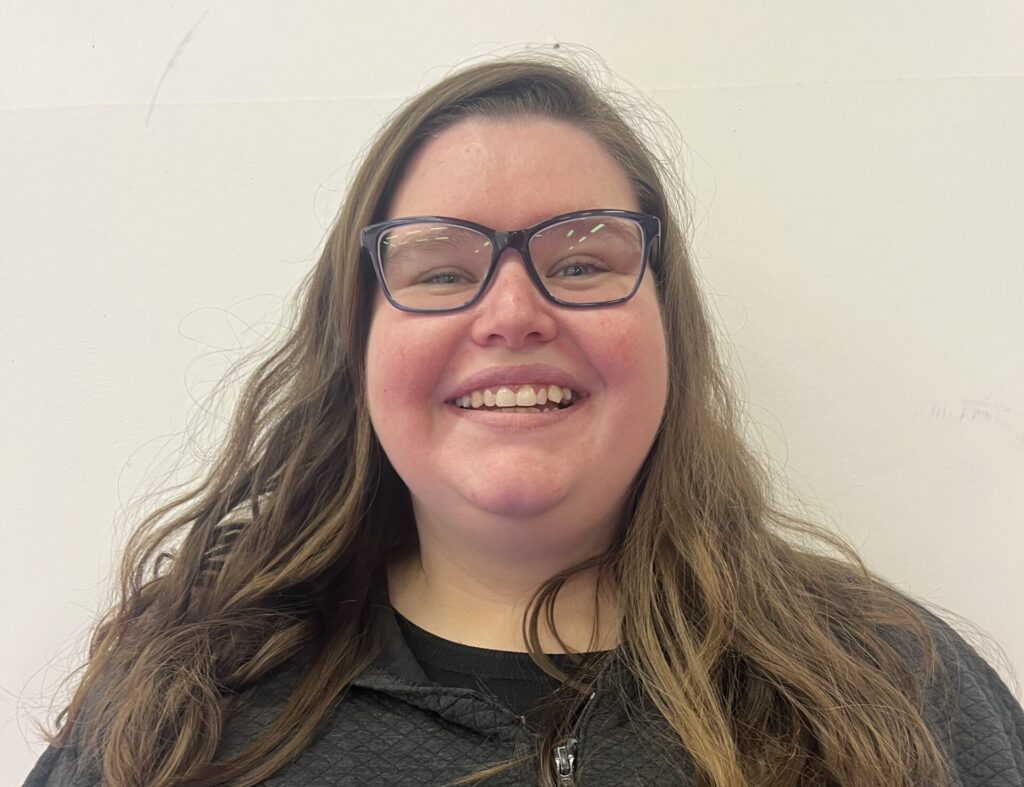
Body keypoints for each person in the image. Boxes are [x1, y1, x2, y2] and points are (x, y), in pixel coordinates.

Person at [24, 54, 1024, 787]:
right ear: (356, 339)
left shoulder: (897, 682)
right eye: (441, 270)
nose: (511, 313)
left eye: (582, 261)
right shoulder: (183, 697)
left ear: (668, 326)